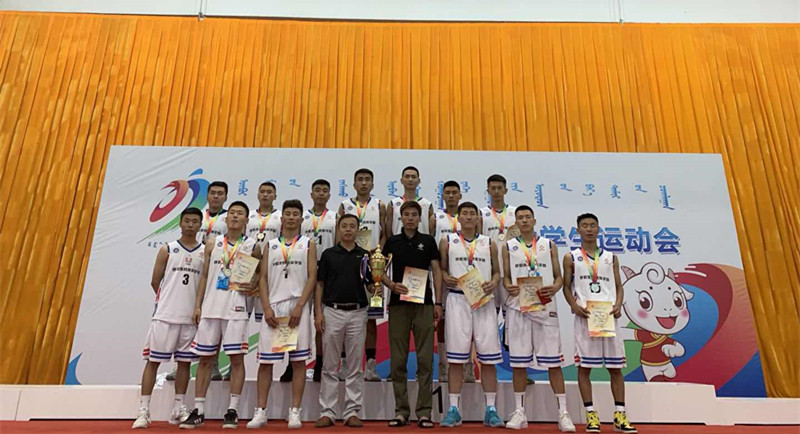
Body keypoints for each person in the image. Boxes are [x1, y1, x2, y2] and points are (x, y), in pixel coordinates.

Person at [180, 201, 260, 429]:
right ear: (226, 218)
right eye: (232, 213)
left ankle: (232, 410)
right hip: (211, 308)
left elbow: (259, 276)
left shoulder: (252, 246)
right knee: (205, 359)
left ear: (246, 220)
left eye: (240, 214)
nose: (235, 216)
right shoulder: (212, 243)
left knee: (236, 359)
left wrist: (253, 284)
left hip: (236, 309)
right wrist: (198, 305)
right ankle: (198, 410)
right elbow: (205, 276)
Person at [502, 206, 575, 431]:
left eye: (527, 217)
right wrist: (508, 286)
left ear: (534, 220)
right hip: (519, 308)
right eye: (520, 218)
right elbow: (506, 278)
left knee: (553, 363)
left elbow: (558, 277)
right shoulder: (508, 246)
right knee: (519, 364)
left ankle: (563, 413)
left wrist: (554, 288)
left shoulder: (548, 245)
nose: (524, 221)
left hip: (545, 307)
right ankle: (519, 412)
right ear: (515, 222)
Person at [562, 213, 637, 433]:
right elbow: (566, 287)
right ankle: (591, 415)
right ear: (578, 230)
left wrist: (618, 305)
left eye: (593, 225)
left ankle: (620, 415)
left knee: (615, 368)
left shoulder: (611, 257)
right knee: (585, 367)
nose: (589, 229)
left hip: (608, 317)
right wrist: (574, 306)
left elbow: (619, 286)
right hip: (586, 317)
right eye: (584, 226)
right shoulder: (571, 257)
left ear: (598, 229)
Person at [247, 200, 318, 429]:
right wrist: (266, 307)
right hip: (274, 308)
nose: (291, 217)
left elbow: (312, 277)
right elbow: (263, 278)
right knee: (266, 362)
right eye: (288, 213)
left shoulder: (308, 244)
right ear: (282, 217)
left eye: (296, 214)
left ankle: (295, 411)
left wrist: (300, 306)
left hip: (297, 307)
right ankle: (261, 411)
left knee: (298, 362)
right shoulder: (270, 245)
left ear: (301, 218)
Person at [133, 208, 204, 429]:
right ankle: (144, 410)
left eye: (194, 221)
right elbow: (155, 281)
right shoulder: (168, 249)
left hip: (189, 318)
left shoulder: (205, 252)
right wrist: (167, 301)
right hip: (165, 316)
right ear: (180, 223)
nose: (190, 225)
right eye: (187, 221)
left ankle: (178, 408)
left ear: (200, 225)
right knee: (153, 361)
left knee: (184, 364)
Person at [438, 202, 504, 429]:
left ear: (478, 218)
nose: (468, 217)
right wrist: (445, 276)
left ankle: (491, 409)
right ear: (458, 218)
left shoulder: (488, 243)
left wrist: (493, 282)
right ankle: (453, 409)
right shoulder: (447, 241)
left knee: (488, 359)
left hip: (483, 300)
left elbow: (497, 273)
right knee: (456, 359)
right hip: (457, 300)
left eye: (471, 214)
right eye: (464, 213)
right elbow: (442, 269)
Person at [380, 201, 442, 428]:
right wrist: (391, 285)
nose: (410, 218)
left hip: (424, 304)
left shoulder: (428, 241)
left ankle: (424, 412)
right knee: (398, 360)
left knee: (425, 359)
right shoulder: (392, 242)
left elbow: (436, 271)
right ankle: (401, 411)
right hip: (398, 305)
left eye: (414, 215)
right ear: (401, 217)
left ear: (419, 218)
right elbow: (378, 269)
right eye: (406, 214)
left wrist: (438, 302)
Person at [314, 214, 372, 428]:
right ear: (338, 229)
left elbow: (370, 283)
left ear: (358, 230)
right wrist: (318, 313)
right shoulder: (328, 254)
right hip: (332, 311)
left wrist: (376, 286)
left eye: (352, 226)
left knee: (355, 366)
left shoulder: (365, 255)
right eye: (344, 226)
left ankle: (351, 411)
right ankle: (327, 412)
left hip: (358, 312)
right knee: (330, 365)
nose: (348, 229)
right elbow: (320, 284)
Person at [338, 168, 386, 381]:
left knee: (371, 319)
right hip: (350, 265)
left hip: (374, 268)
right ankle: (345, 365)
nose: (364, 183)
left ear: (372, 184)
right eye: (360, 180)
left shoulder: (380, 205)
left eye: (367, 179)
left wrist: (378, 252)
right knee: (343, 317)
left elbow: (386, 233)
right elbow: (339, 234)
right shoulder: (345, 205)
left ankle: (371, 366)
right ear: (354, 184)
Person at [429, 181, 472, 383]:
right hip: (442, 276)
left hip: (466, 277)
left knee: (470, 321)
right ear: (443, 196)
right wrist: (442, 273)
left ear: (460, 195)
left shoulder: (470, 217)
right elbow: (431, 246)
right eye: (448, 193)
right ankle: (444, 365)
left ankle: (469, 366)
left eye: (455, 192)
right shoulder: (435, 218)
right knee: (442, 321)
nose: (452, 196)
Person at [301, 179, 338, 382]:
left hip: (327, 273)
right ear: (311, 194)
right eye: (318, 190)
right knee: (298, 319)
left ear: (329, 195)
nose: (321, 193)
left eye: (325, 190)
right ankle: (293, 362)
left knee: (321, 320)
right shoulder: (302, 217)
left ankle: (320, 363)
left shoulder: (334, 217)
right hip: (303, 272)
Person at [385, 166, 434, 236]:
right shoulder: (393, 204)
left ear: (419, 181)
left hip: (421, 242)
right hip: (398, 242)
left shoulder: (427, 205)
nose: (410, 180)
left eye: (413, 177)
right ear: (401, 180)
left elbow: (431, 232)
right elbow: (388, 232)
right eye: (407, 177)